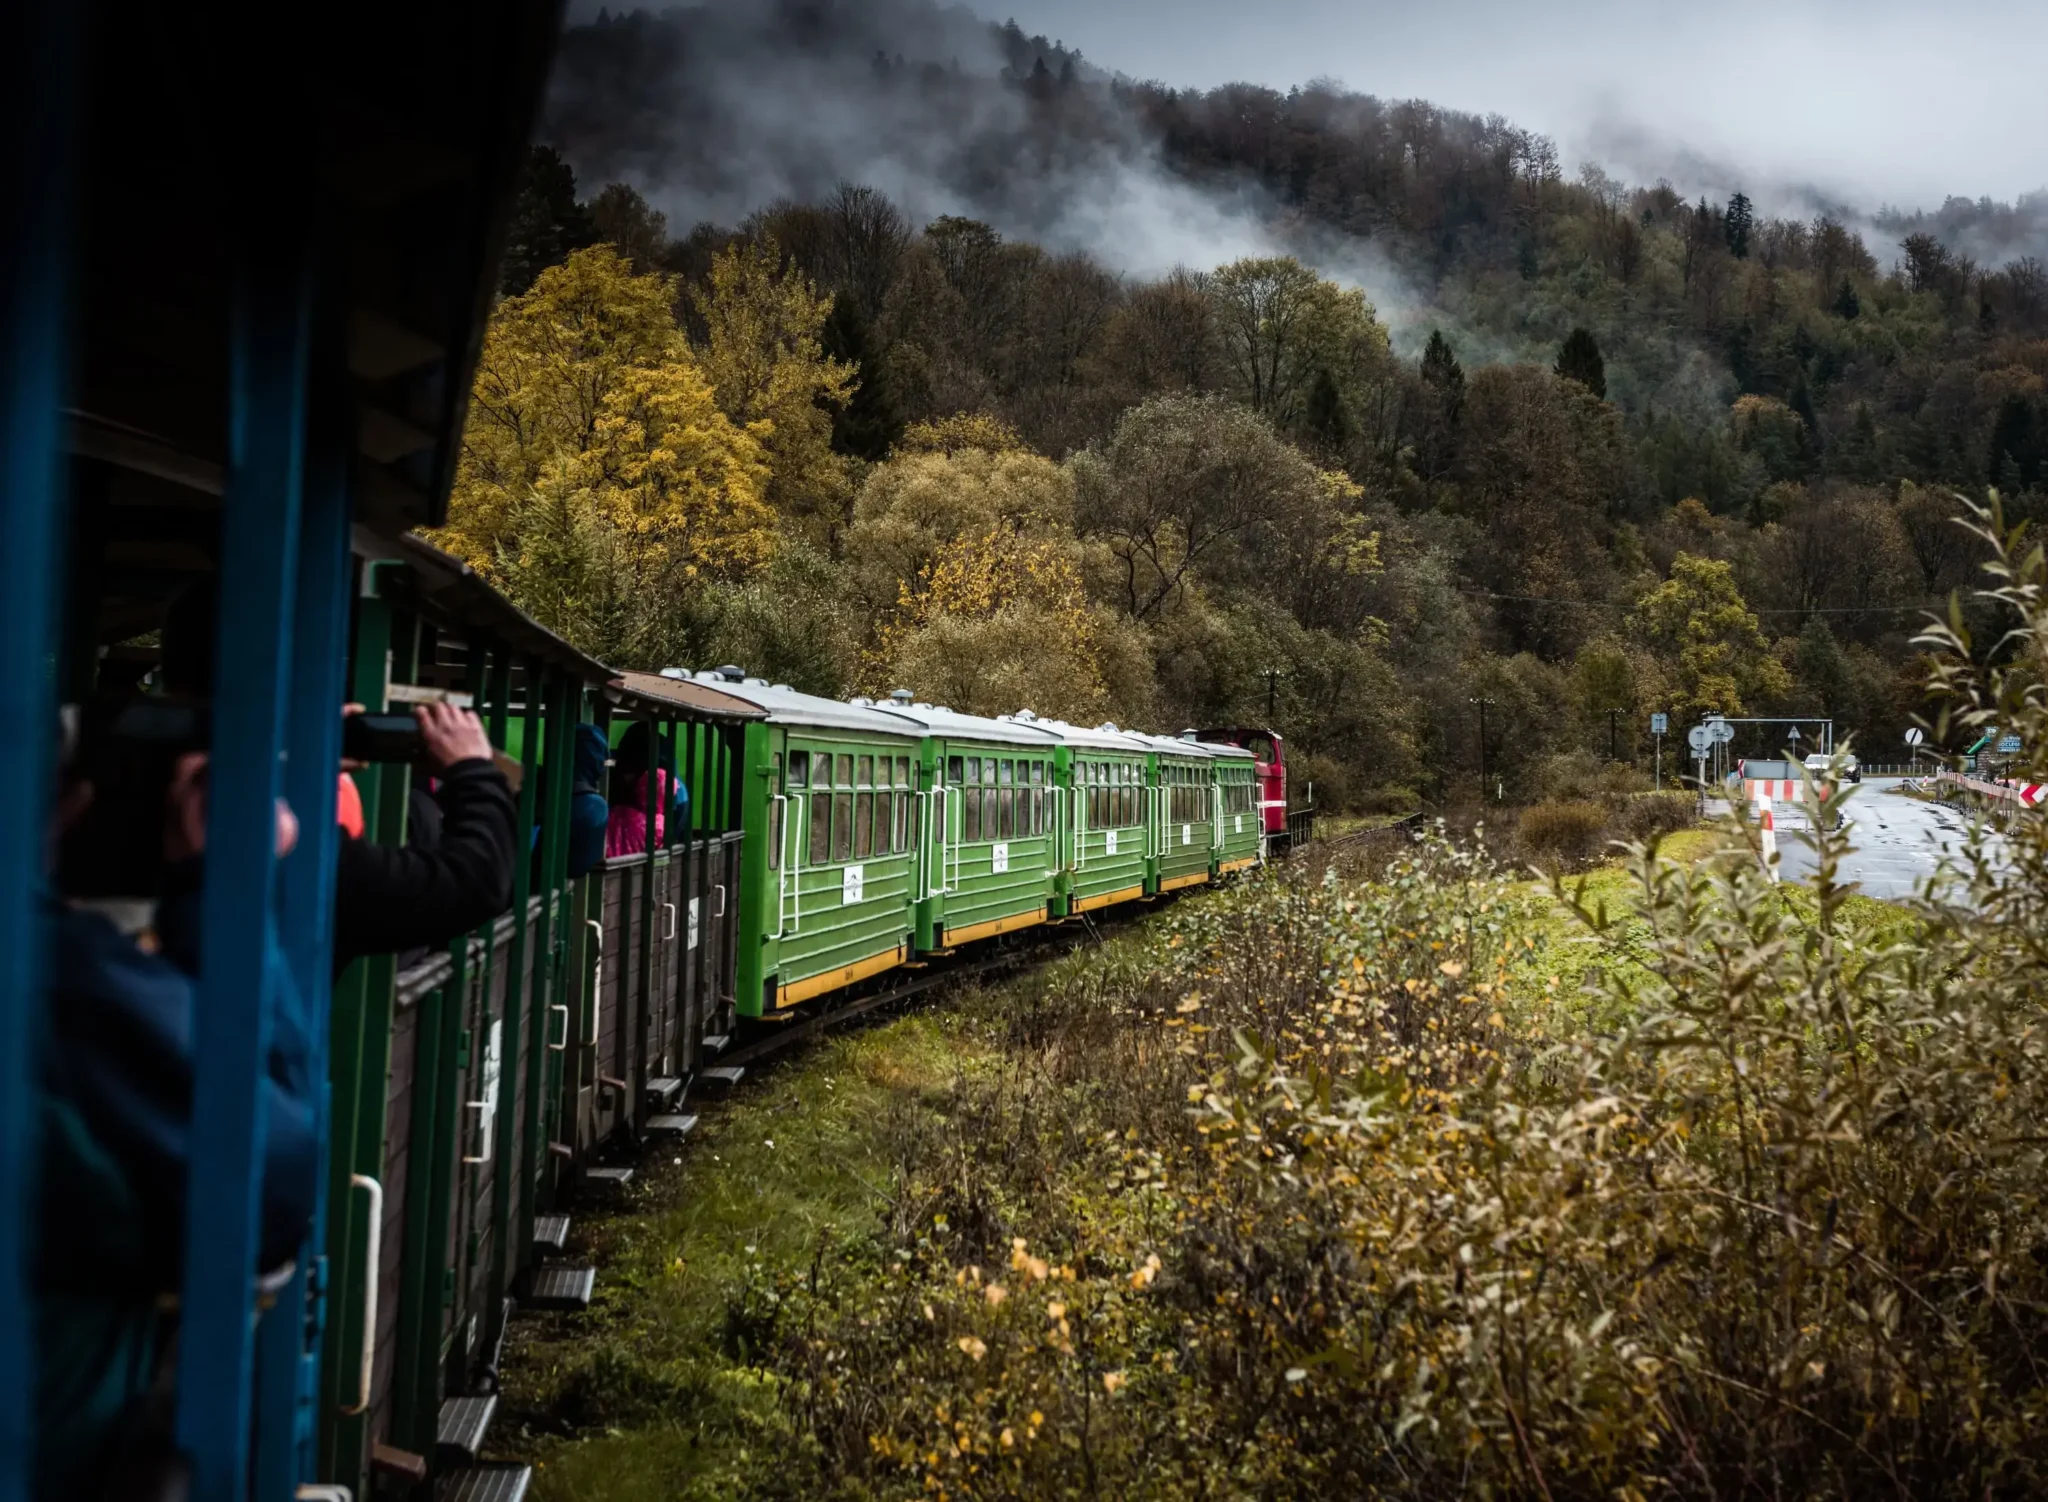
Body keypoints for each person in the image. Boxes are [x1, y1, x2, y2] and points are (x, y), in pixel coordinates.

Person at [40, 728, 316, 1500]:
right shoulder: (64, 975)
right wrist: (216, 881)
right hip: (63, 1446)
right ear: (65, 804)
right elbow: (274, 1167)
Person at [160, 580, 518, 970]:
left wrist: (293, 760)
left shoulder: (106, 790)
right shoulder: (278, 842)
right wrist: (473, 771)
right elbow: (473, 885)